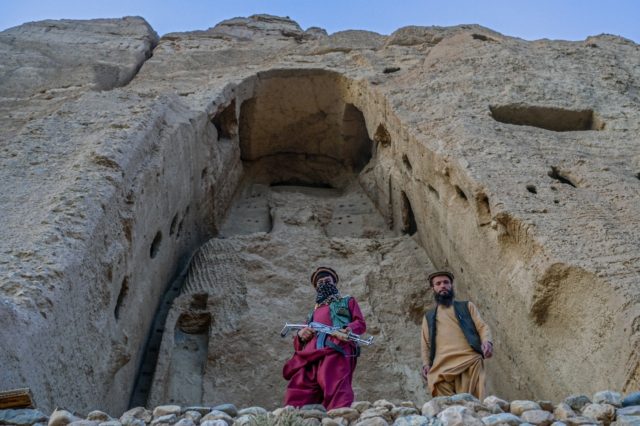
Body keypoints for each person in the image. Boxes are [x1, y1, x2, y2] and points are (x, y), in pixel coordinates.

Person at [283, 267, 366, 409]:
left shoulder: (347, 301)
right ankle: (298, 416)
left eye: (327, 281)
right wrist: (301, 336)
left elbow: (360, 323)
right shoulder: (311, 314)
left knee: (334, 381)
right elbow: (299, 341)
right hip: (311, 353)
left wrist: (348, 329)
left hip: (336, 347)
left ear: (334, 283)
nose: (324, 284)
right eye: (320, 283)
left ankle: (338, 416)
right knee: (301, 383)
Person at [420, 271, 493, 399]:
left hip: (469, 360)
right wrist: (426, 364)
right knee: (445, 402)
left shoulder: (466, 306)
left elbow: (482, 326)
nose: (442, 285)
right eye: (438, 283)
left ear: (451, 286)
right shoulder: (429, 316)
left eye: (446, 282)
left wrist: (487, 342)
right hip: (441, 365)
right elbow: (425, 344)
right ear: (433, 288)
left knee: (473, 402)